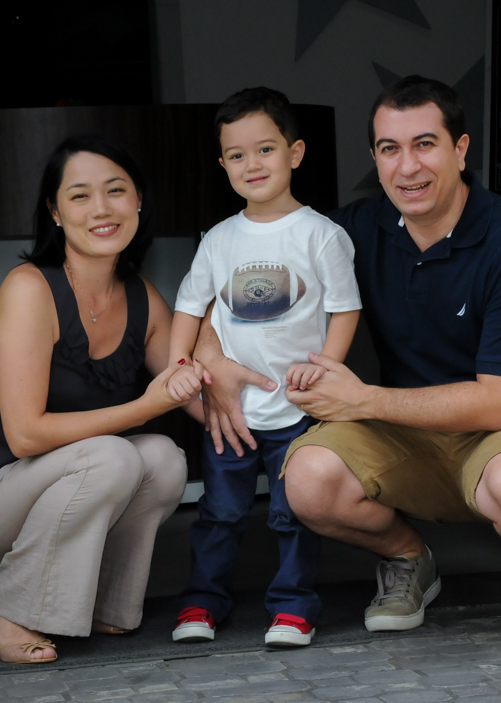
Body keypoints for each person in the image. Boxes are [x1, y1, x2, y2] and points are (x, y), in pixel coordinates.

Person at [195, 76, 501, 639]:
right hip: (403, 433)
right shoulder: (352, 231)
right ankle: (408, 558)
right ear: (375, 158)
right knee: (305, 479)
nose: (408, 168)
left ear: (460, 149)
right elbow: (218, 286)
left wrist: (363, 399)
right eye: (389, 149)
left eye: (425, 144)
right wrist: (214, 357)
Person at [0, 134, 196, 664]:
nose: (102, 209)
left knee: (163, 457)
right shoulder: (29, 287)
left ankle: (104, 604)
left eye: (116, 191)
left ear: (138, 199)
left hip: (64, 485)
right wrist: (145, 406)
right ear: (54, 211)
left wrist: (284, 416)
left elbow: (196, 391)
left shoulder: (144, 298)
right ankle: (6, 609)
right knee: (116, 452)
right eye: (79, 196)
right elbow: (25, 434)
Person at [164, 88, 362, 648]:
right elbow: (189, 306)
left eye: (265, 149)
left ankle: (294, 607)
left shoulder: (322, 234)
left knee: (291, 513)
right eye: (236, 154)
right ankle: (201, 602)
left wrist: (326, 370)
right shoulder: (219, 239)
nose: (251, 165)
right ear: (222, 163)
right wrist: (182, 364)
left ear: (295, 153)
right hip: (230, 412)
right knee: (220, 513)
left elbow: (344, 310)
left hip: (296, 410)